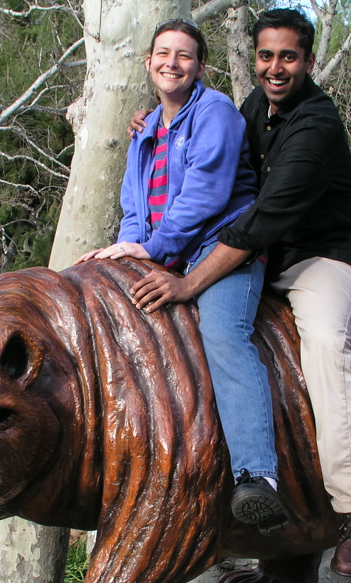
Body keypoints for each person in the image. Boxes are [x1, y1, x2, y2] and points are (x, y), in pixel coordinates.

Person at [128, 9, 351, 583]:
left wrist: (190, 281)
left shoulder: (315, 126)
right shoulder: (252, 108)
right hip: (259, 257)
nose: (274, 67)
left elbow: (257, 221)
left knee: (323, 343)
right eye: (265, 56)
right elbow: (211, 150)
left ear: (309, 61)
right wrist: (156, 127)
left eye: (287, 57)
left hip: (320, 257)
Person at [77, 19, 291, 535]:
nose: (172, 62)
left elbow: (206, 199)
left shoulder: (215, 113)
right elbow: (133, 207)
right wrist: (128, 252)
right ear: (149, 62)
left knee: (223, 335)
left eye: (185, 55)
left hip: (220, 252)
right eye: (164, 54)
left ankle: (259, 477)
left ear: (200, 67)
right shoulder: (146, 129)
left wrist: (149, 250)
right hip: (164, 254)